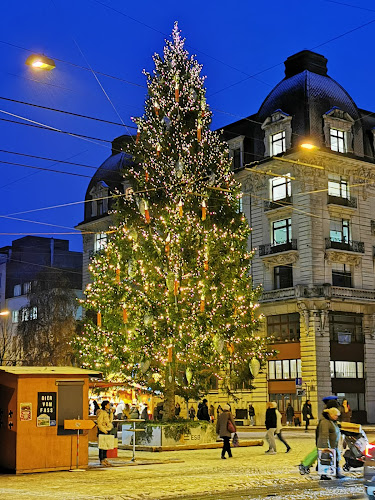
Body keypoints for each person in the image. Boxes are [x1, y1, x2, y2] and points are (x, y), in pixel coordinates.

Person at [316, 406, 343, 480]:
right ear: (330, 414)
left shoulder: (333, 422)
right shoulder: (325, 422)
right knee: (326, 459)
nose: (337, 417)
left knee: (335, 459)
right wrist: (326, 446)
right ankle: (324, 475)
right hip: (327, 445)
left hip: (333, 445)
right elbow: (324, 435)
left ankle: (337, 473)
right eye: (335, 415)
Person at [97, 400, 114, 466]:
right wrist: (104, 430)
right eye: (108, 404)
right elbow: (99, 423)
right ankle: (101, 459)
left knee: (106, 445)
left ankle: (105, 458)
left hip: (107, 430)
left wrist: (111, 413)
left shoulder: (107, 412)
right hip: (103, 430)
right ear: (105, 405)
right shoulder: (102, 412)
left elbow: (110, 421)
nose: (109, 406)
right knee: (102, 446)